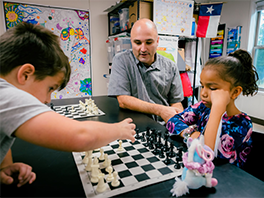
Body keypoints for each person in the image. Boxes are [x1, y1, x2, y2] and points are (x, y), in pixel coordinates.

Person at [0, 22, 136, 187]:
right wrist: (119, 130)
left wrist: (4, 166)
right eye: (50, 88)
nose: (48, 100)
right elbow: (80, 136)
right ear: (26, 74)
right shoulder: (5, 94)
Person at [166, 49, 258, 168]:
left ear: (235, 92)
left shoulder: (242, 123)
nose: (203, 93)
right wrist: (191, 134)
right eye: (202, 85)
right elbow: (172, 122)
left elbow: (208, 153)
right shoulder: (203, 107)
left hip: (228, 181)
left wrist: (217, 108)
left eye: (212, 88)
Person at [108, 18, 184, 123]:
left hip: (164, 125)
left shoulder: (171, 66)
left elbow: (176, 102)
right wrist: (161, 110)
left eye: (148, 42)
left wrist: (179, 122)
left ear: (157, 41)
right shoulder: (121, 60)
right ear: (131, 41)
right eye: (138, 43)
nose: (143, 49)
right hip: (133, 126)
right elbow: (123, 100)